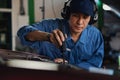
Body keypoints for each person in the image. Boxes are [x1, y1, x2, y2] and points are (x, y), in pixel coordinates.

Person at [17, 0, 104, 70]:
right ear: (68, 14)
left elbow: (96, 64)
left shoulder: (95, 36)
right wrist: (48, 37)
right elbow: (23, 32)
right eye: (75, 16)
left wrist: (70, 66)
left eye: (85, 17)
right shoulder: (50, 26)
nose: (80, 22)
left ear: (92, 19)